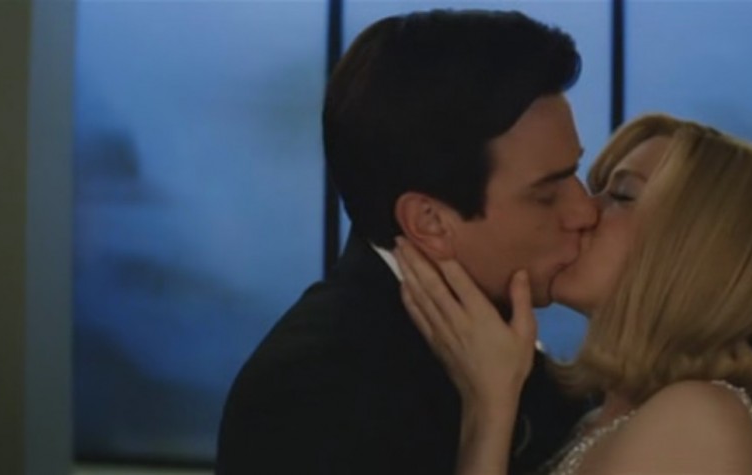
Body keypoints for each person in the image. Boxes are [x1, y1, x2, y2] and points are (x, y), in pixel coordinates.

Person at [217, 10, 597, 475]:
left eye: (575, 173)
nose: (585, 211)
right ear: (429, 222)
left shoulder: (506, 344)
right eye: (546, 194)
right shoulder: (314, 392)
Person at [395, 113, 752, 475]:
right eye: (598, 188)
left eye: (622, 195)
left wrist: (488, 410)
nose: (584, 210)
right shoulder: (596, 415)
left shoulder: (699, 417)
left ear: (696, 251)